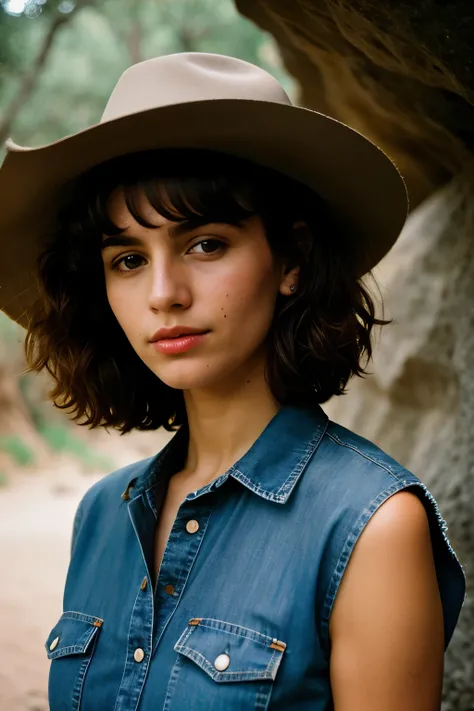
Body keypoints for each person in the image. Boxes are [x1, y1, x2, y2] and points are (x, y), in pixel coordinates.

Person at [0, 52, 466, 711]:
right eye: (129, 258)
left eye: (205, 244)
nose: (164, 294)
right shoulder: (102, 514)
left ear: (292, 260)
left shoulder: (373, 526)